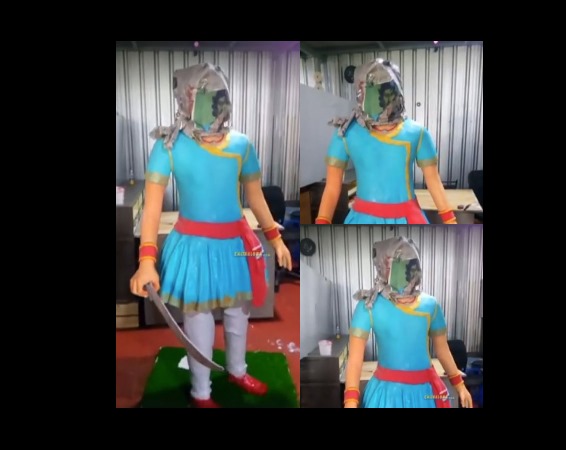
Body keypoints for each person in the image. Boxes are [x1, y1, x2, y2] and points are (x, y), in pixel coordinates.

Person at [129, 63, 292, 408]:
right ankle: (201, 392)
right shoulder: (168, 146)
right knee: (198, 320)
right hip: (194, 246)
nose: (211, 104)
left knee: (238, 313)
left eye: (217, 95)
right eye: (200, 96)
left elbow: (255, 196)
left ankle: (237, 370)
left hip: (237, 244)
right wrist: (146, 260)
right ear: (185, 99)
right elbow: (152, 208)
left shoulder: (241, 144)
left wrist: (275, 238)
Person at [315, 59, 457, 225]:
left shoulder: (417, 133)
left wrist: (450, 221)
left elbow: (433, 181)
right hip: (363, 218)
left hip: (408, 217)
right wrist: (322, 221)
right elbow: (332, 187)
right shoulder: (346, 133)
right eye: (374, 90)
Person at [344, 237, 472, 408]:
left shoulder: (430, 305)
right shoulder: (368, 306)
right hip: (387, 397)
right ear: (382, 266)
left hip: (426, 394)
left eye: (408, 262)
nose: (402, 269)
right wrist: (350, 402)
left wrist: (460, 385)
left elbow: (442, 349)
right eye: (394, 263)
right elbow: (355, 359)